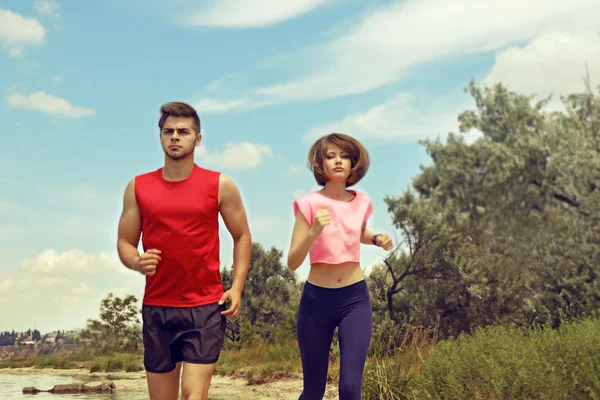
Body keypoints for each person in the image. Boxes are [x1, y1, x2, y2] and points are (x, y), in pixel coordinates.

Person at [116, 102, 252, 400]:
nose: (175, 137)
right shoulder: (138, 187)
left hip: (204, 307)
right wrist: (138, 262)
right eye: (168, 131)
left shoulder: (220, 185)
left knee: (194, 396)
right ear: (160, 137)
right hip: (158, 308)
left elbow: (241, 236)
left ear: (197, 139)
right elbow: (125, 243)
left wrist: (237, 287)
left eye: (183, 131)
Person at [287, 133, 393, 400]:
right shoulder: (309, 204)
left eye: (344, 156)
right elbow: (292, 261)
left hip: (354, 299)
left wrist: (376, 238)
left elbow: (354, 232)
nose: (338, 161)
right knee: (313, 391)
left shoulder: (361, 201)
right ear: (320, 164)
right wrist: (313, 232)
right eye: (330, 156)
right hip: (316, 301)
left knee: (349, 387)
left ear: (353, 164)